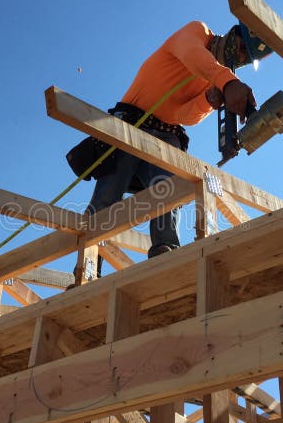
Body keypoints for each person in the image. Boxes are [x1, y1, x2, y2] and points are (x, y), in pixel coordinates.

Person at [86, 21, 273, 263]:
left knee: (167, 191)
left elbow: (182, 116)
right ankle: (89, 262)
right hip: (130, 123)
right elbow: (192, 54)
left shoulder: (215, 76)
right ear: (233, 33)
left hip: (166, 133)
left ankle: (165, 253)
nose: (241, 57)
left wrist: (208, 100)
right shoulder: (198, 32)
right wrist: (228, 81)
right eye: (242, 48)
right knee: (107, 198)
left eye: (246, 58)